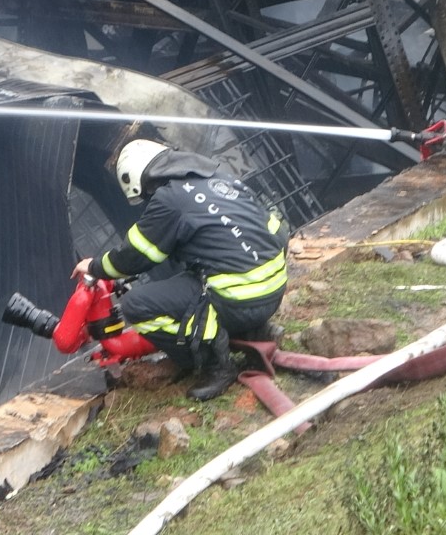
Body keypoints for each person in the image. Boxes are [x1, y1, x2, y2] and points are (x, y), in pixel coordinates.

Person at [72, 139, 288, 401]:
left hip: (238, 300)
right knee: (196, 280)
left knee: (136, 305)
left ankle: (215, 365)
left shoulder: (169, 200)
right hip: (274, 291)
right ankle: (252, 331)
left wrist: (94, 266)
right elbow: (276, 231)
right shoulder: (222, 179)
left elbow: (132, 258)